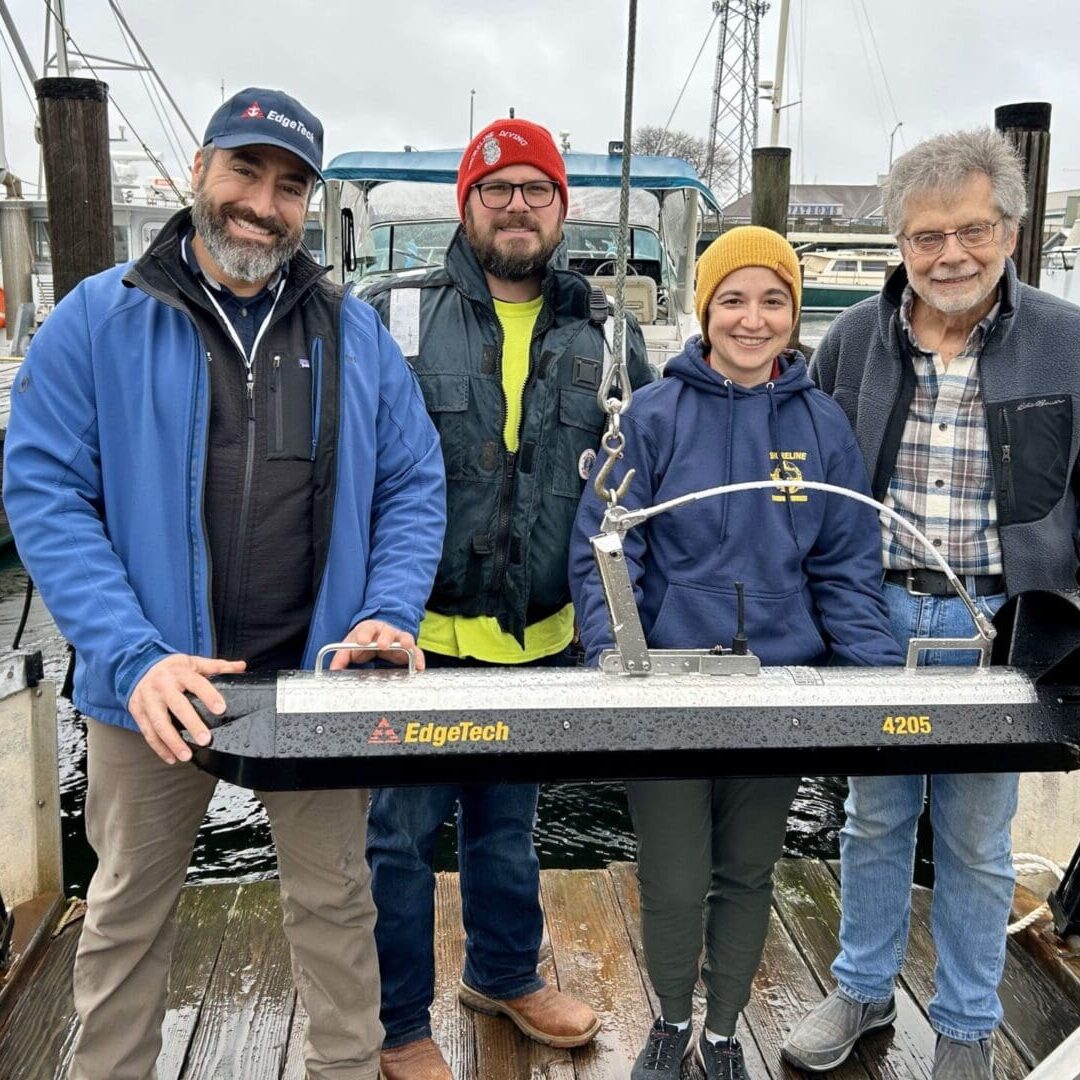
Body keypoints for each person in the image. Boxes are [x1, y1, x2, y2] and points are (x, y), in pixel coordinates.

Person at [3, 87, 446, 1080]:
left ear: (309, 205)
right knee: (123, 916)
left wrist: (384, 613)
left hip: (314, 681)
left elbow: (415, 485)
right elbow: (45, 492)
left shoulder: (355, 335)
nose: (263, 200)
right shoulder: (96, 319)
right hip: (149, 687)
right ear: (198, 170)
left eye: (290, 184)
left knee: (338, 907)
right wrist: (131, 652)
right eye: (245, 169)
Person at [569, 226, 903, 1080]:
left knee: (747, 872)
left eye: (773, 301)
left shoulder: (823, 426)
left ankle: (722, 1032)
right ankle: (669, 1020)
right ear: (705, 309)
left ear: (794, 314)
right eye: (733, 300)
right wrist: (615, 664)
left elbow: (846, 564)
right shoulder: (649, 416)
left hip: (778, 686)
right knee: (675, 878)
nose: (753, 320)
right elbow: (605, 550)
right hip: (665, 690)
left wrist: (873, 690)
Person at [780, 128, 1080, 1080]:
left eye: (974, 231)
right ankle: (863, 989)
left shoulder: (1069, 342)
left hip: (1006, 625)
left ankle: (964, 1026)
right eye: (927, 237)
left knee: (979, 838)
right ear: (900, 243)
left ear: (1011, 229)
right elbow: (811, 475)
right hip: (878, 618)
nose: (952, 254)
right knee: (873, 817)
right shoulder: (856, 339)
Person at [363, 116, 653, 1079]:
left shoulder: (610, 336)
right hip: (415, 642)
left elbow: (638, 485)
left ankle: (503, 974)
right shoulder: (390, 315)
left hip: (547, 639)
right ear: (467, 203)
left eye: (537, 189)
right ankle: (397, 1023)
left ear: (563, 208)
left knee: (507, 830)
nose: (517, 205)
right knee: (397, 843)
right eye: (498, 188)